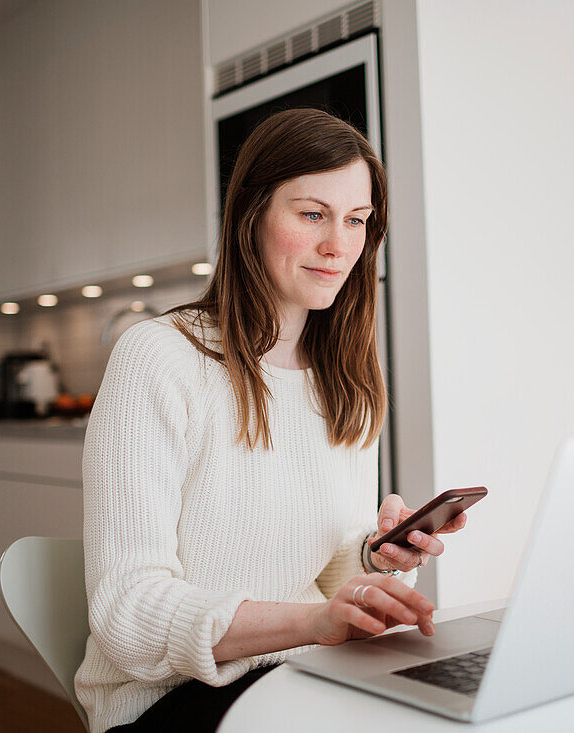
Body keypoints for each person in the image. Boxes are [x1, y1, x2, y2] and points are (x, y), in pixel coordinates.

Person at [74, 108, 468, 733]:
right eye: (312, 214)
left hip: (305, 674)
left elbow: (324, 576)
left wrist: (374, 559)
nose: (339, 245)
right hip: (170, 701)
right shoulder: (158, 358)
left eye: (357, 221)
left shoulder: (350, 378)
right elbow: (127, 615)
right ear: (251, 216)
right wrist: (314, 622)